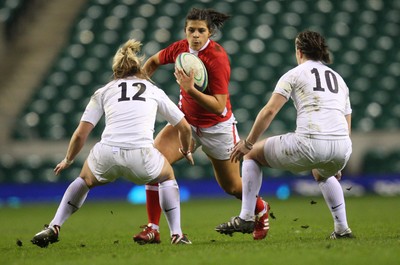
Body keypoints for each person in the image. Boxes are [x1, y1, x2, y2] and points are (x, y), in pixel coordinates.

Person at [31, 39, 194, 248]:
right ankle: (177, 234)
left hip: (107, 154)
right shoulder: (154, 91)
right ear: (138, 69)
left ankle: (54, 226)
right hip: (141, 155)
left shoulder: (104, 91)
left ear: (116, 71)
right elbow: (185, 128)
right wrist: (186, 150)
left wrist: (67, 160)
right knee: (167, 175)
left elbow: (81, 134)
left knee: (83, 181)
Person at [133, 7, 270, 244]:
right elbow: (153, 61)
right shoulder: (179, 49)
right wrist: (140, 88)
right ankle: (153, 228)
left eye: (201, 30)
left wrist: (190, 90)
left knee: (232, 187)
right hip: (185, 122)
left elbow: (218, 106)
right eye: (191, 30)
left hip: (217, 128)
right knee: (152, 164)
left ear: (210, 33)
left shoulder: (217, 58)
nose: (195, 35)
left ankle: (260, 208)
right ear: (185, 31)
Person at [215, 30, 354, 239]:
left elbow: (270, 110)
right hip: (343, 146)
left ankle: (246, 216)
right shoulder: (338, 79)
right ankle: (342, 229)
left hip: (310, 143)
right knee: (322, 173)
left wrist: (249, 142)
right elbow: (347, 119)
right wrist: (338, 159)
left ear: (299, 51)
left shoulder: (295, 73)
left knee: (252, 155)